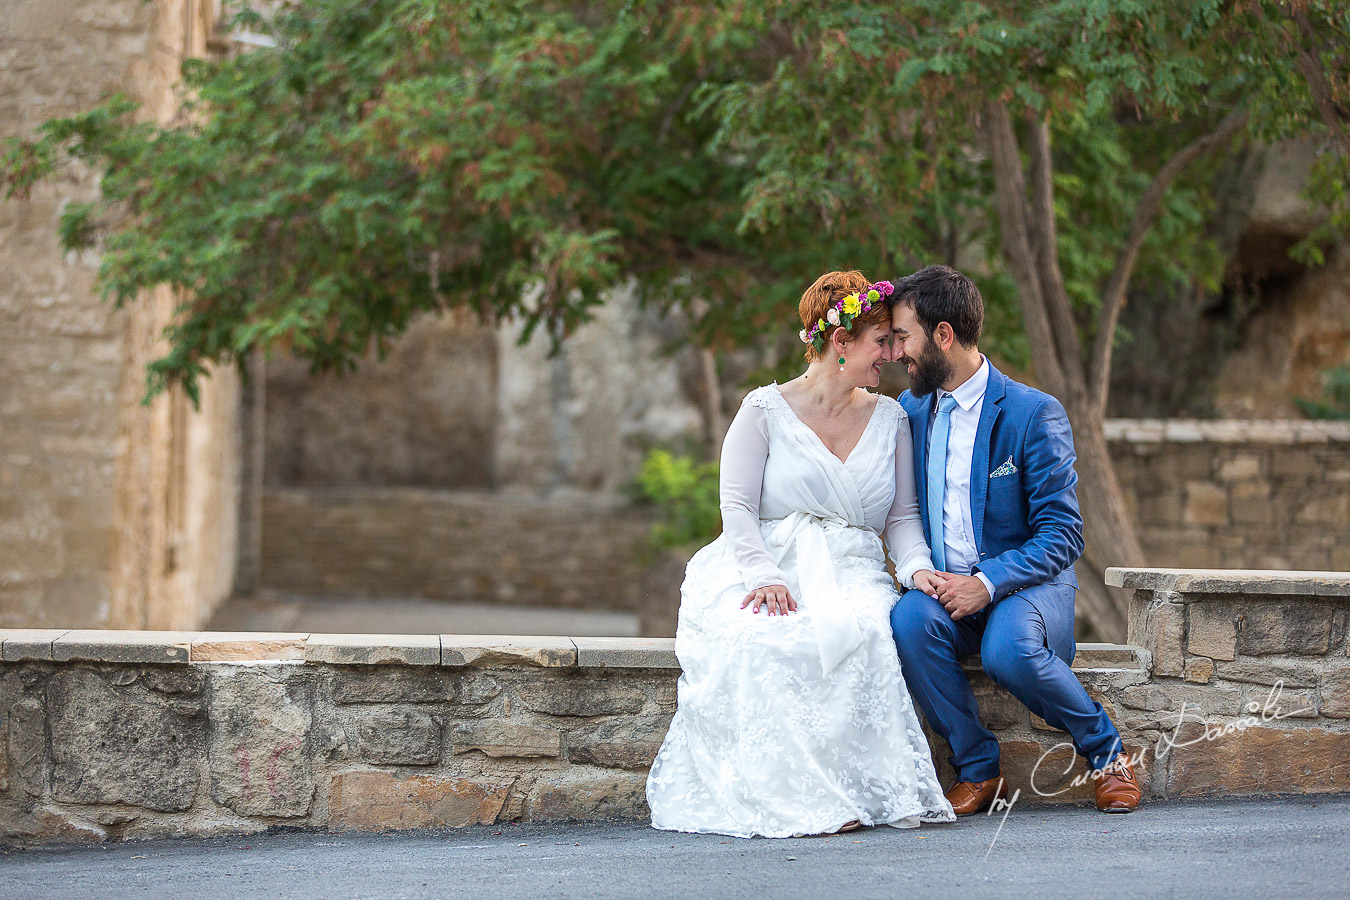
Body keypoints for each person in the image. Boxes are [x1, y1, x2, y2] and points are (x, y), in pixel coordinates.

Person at [646, 270, 955, 838]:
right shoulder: (762, 410)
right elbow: (736, 506)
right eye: (880, 341)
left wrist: (915, 569)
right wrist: (762, 574)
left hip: (854, 568)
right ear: (841, 343)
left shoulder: (891, 419)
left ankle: (850, 790)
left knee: (863, 633)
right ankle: (792, 796)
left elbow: (902, 519)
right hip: (771, 559)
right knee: (760, 639)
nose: (892, 354)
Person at [887, 264, 1141, 814]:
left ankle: (1107, 754)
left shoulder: (1032, 413)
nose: (897, 352)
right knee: (907, 619)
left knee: (1006, 650)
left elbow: (1064, 533)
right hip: (946, 593)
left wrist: (987, 581)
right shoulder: (909, 414)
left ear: (944, 335)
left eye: (904, 336)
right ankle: (979, 769)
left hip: (1028, 589)